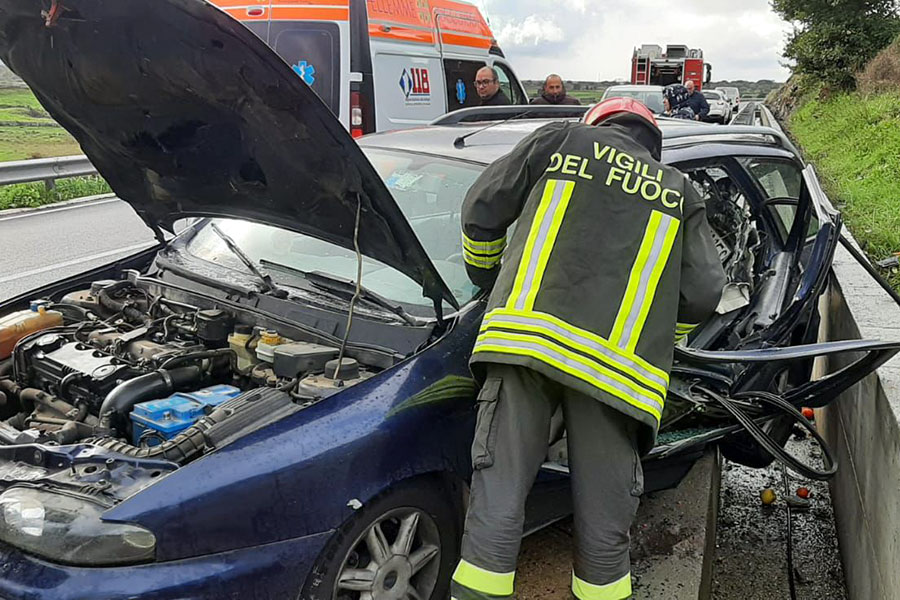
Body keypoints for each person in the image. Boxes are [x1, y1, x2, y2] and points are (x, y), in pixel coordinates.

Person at [454, 98, 725, 600]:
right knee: (604, 531)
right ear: (652, 147)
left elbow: (481, 208)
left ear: (597, 125)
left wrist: (488, 278)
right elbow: (706, 291)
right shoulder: (679, 191)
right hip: (615, 376)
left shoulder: (560, 141)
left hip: (523, 347)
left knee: (497, 505)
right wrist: (667, 337)